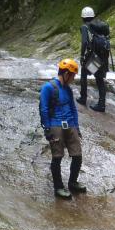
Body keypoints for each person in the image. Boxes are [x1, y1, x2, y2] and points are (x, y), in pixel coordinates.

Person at [39, 58, 86, 199]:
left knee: (77, 155)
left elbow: (73, 108)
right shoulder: (48, 88)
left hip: (70, 124)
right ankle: (58, 187)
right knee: (57, 157)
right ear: (66, 74)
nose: (73, 79)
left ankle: (72, 182)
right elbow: (44, 108)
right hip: (55, 124)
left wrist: (76, 127)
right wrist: (47, 128)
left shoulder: (68, 89)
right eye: (72, 76)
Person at [78, 6, 111, 113]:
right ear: (93, 16)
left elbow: (84, 42)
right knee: (99, 79)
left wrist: (82, 56)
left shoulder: (85, 27)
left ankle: (83, 98)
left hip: (95, 58)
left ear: (83, 17)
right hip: (104, 57)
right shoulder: (99, 26)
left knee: (83, 72)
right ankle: (101, 104)